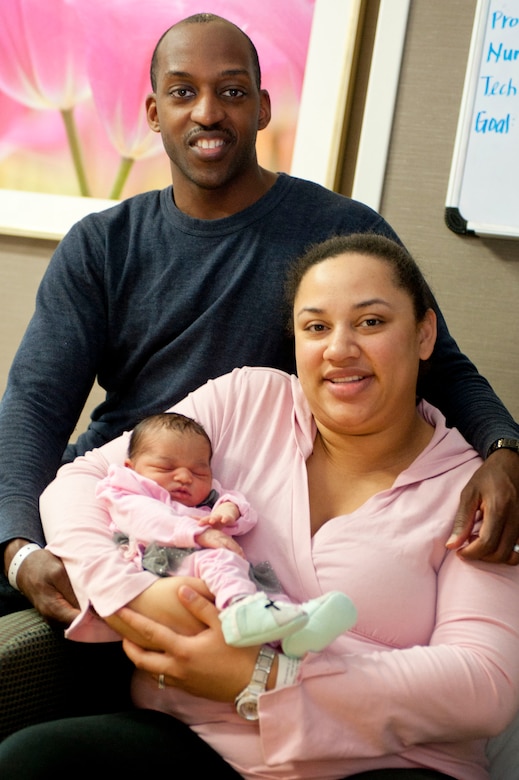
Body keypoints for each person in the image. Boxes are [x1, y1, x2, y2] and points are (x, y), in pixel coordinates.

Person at [1, 12, 519, 632]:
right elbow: (34, 407)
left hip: (226, 524)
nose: (207, 113)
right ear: (152, 112)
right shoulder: (101, 245)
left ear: (264, 107)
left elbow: (438, 365)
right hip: (113, 493)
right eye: (183, 92)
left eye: (232, 91)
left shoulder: (337, 231)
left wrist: (505, 450)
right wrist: (18, 548)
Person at [2, 232, 518, 779]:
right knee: (31, 763)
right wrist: (135, 595)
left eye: (370, 322)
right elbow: (84, 480)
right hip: (201, 738)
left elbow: (483, 683)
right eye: (316, 327)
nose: (339, 349)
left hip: (383, 763)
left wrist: (271, 676)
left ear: (423, 333)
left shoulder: (476, 490)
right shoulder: (247, 400)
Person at [95, 410, 356, 655]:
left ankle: (293, 631)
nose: (185, 477)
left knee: (261, 577)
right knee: (220, 560)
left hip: (206, 565)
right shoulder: (127, 490)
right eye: (166, 468)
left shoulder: (205, 497)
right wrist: (198, 534)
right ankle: (240, 609)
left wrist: (230, 510)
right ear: (131, 467)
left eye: (199, 471)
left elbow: (238, 510)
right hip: (156, 559)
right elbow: (146, 520)